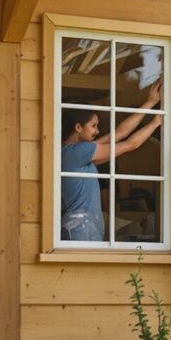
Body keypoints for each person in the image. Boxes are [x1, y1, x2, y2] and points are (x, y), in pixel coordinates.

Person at [59, 83, 162, 244]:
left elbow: (119, 133)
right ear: (78, 127)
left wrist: (150, 103)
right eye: (93, 126)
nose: (97, 131)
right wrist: (156, 122)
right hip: (81, 228)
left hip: (81, 227)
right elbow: (129, 144)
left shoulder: (72, 152)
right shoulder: (78, 152)